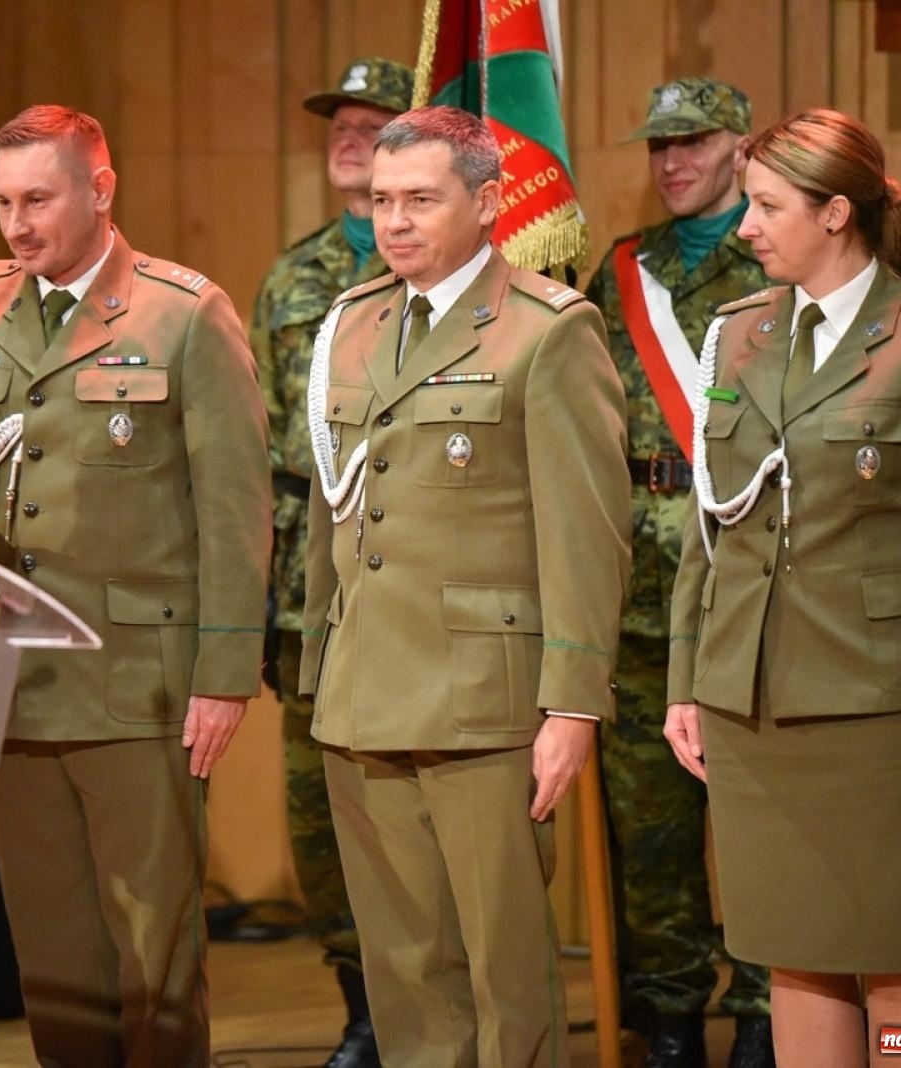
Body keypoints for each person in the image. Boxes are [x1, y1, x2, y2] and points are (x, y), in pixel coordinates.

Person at [665, 109, 901, 1068]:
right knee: (794, 962)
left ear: (836, 213)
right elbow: (713, 523)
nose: (745, 227)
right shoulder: (733, 337)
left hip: (884, 709)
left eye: (767, 206)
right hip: (756, 704)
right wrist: (687, 680)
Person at [299, 105, 630, 1066]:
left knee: (505, 970)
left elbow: (588, 534)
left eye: (419, 200)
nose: (393, 221)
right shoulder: (353, 325)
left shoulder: (547, 330)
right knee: (404, 969)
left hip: (487, 699)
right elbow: (338, 514)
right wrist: (323, 665)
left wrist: (572, 703)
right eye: (381, 200)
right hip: (363, 695)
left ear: (487, 204)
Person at [0, 105, 270, 1067]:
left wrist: (225, 673)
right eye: (2, 202)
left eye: (37, 198)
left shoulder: (182, 312)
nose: (16, 224)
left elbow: (236, 506)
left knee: (153, 953)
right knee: (54, 951)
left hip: (140, 681)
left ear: (101, 189)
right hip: (10, 679)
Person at [584, 76, 774, 1068]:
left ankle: (761, 1012)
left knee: (756, 817)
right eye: (657, 146)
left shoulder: (784, 257)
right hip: (637, 585)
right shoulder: (621, 271)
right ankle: (666, 1021)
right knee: (646, 831)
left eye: (691, 143)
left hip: (750, 580)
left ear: (741, 146)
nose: (670, 163)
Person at [249, 54, 411, 1067]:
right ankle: (360, 1004)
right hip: (316, 591)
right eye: (337, 123)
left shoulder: (442, 272)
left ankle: (430, 1002)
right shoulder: (291, 277)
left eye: (372, 121)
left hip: (420, 579)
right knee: (320, 812)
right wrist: (263, 603)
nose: (347, 135)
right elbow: (265, 455)